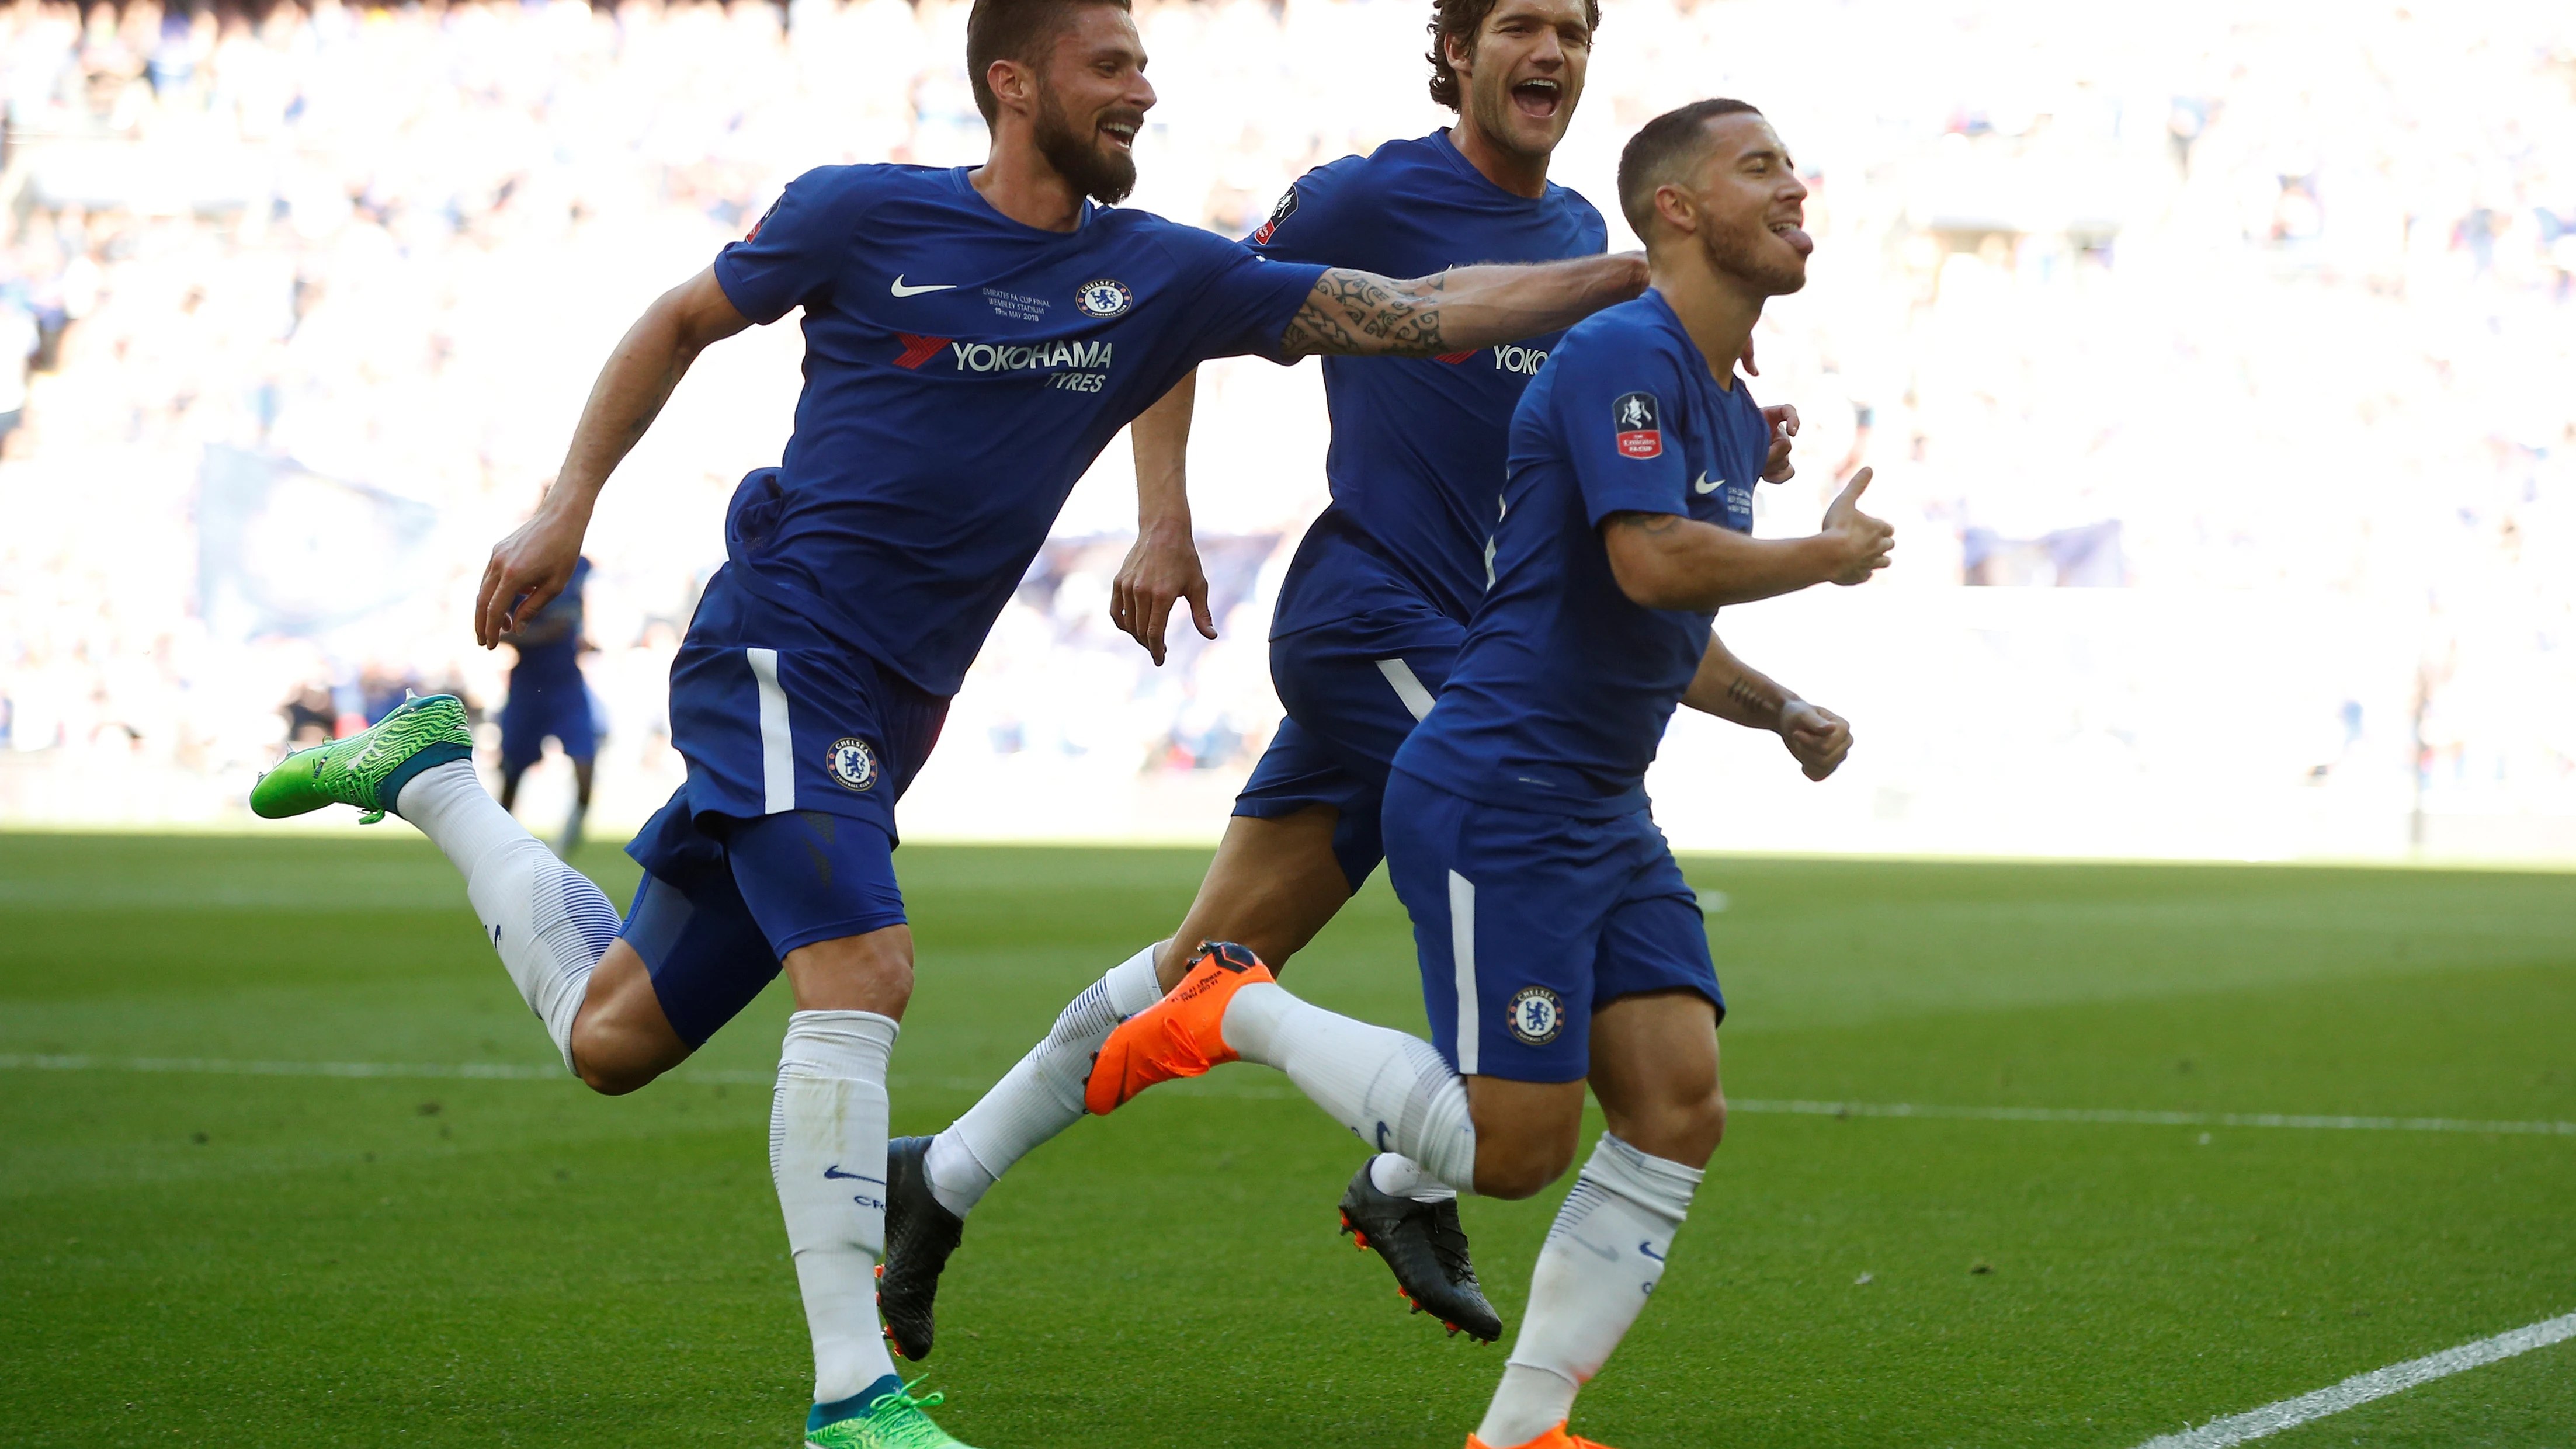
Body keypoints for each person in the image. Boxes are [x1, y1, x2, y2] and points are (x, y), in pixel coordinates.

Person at [244, 0, 1650, 1442]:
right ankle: (855, 1394)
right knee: (864, 967)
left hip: (895, 704)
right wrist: (566, 502)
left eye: (1144, 70)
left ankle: (429, 776)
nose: (1142, 93)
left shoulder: (1155, 267)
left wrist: (1644, 272)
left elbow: (1421, 315)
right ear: (1013, 81)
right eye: (1113, 68)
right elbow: (680, 320)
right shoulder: (861, 217)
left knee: (612, 1037)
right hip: (784, 649)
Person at [884, 0, 1801, 1359]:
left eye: (1572, 28)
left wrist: (1730, 432)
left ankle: (937, 1178)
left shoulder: (1576, 246)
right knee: (1540, 841)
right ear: (1460, 52)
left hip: (1472, 650)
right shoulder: (1369, 198)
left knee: (1203, 962)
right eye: (1519, 27)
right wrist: (1162, 516)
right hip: (1386, 620)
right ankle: (1415, 1174)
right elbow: (1181, 309)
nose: (1550, 52)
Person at [1084, 99, 1891, 1449]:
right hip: (1505, 782)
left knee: (1678, 1104)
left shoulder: (1712, 396)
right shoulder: (1617, 353)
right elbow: (1649, 561)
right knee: (1513, 1152)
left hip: (1596, 798)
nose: (1796, 186)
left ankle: (1522, 1432)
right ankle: (1233, 1002)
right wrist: (1819, 555)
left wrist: (1781, 709)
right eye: (1761, 168)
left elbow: (1653, 619)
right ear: (1679, 210)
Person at [495, 553, 600, 855]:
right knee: (512, 773)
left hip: (567, 681)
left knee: (585, 770)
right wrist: (536, 635)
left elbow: (577, 614)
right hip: (530, 686)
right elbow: (495, 631)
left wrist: (578, 636)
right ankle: (499, 845)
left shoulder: (580, 565)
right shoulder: (516, 565)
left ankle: (562, 854)